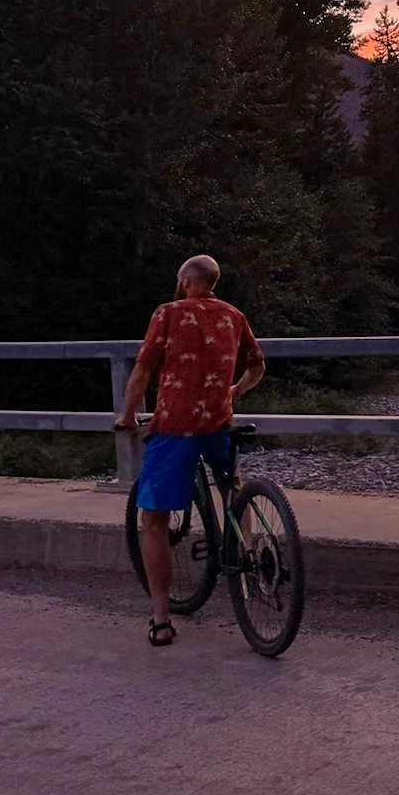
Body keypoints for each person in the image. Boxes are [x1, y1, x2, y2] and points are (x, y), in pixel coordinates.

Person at [114, 254, 265, 646]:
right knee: (232, 486)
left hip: (176, 426)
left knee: (154, 520)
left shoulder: (167, 313)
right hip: (219, 423)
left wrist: (127, 416)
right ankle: (247, 549)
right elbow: (257, 366)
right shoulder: (233, 315)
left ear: (185, 281)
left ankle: (161, 620)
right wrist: (235, 391)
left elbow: (143, 370)